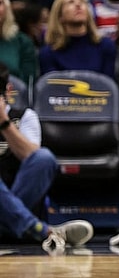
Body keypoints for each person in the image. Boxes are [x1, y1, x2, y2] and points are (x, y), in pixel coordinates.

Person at [0, 61, 94, 251]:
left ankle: (16, 225)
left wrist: (3, 123)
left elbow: (31, 156)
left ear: (8, 92)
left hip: (20, 194)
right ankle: (43, 231)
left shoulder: (25, 117)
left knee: (44, 158)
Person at [39, 0, 117, 79]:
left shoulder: (106, 46)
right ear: (60, 15)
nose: (78, 5)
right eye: (71, 2)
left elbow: (109, 86)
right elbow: (51, 88)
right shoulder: (48, 53)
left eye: (82, 2)